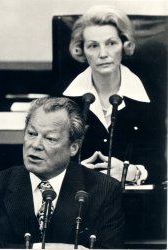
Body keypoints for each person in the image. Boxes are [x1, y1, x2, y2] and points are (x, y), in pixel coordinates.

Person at [0, 96, 124, 249]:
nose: (35, 145)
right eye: (31, 133)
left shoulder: (105, 190)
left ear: (73, 147)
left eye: (50, 138)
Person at [63, 4, 161, 184]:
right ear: (81, 50)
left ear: (124, 45)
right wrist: (73, 173)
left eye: (111, 43)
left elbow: (160, 165)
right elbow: (48, 163)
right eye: (93, 46)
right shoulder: (63, 100)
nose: (103, 54)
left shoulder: (152, 96)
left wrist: (130, 173)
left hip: (133, 202)